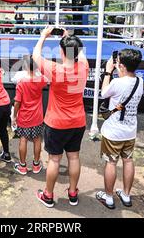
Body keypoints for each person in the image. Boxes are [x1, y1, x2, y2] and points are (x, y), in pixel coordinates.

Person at [32, 27, 89, 208]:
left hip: (56, 122)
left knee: (54, 160)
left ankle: (48, 195)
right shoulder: (84, 67)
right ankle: (73, 193)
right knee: (74, 158)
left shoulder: (55, 69)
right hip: (77, 121)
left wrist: (43, 35)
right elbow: (80, 54)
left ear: (61, 51)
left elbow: (35, 56)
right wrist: (69, 37)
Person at [95, 49, 144, 209]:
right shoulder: (140, 81)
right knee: (128, 161)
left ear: (121, 65)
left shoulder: (116, 82)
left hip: (113, 132)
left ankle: (108, 197)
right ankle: (126, 195)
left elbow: (103, 93)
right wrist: (120, 70)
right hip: (130, 131)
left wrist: (108, 72)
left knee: (111, 162)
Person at [12, 55, 47, 175]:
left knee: (23, 139)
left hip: (24, 116)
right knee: (37, 139)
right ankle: (36, 165)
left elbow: (17, 102)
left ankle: (22, 167)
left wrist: (14, 116)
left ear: (26, 66)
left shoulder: (21, 83)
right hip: (37, 116)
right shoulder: (41, 80)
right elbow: (45, 76)